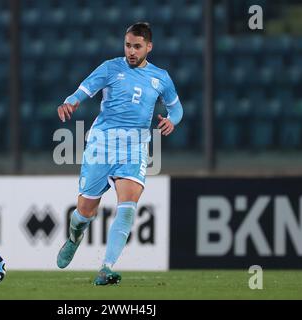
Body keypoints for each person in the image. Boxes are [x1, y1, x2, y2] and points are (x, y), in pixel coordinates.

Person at [56, 22, 183, 285]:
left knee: (127, 208)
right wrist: (70, 101)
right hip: (101, 145)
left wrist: (173, 121)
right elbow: (82, 91)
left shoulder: (161, 77)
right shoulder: (111, 67)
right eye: (128, 45)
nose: (131, 51)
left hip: (135, 148)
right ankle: (74, 237)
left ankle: (106, 267)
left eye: (137, 46)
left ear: (149, 47)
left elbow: (177, 109)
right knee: (84, 212)